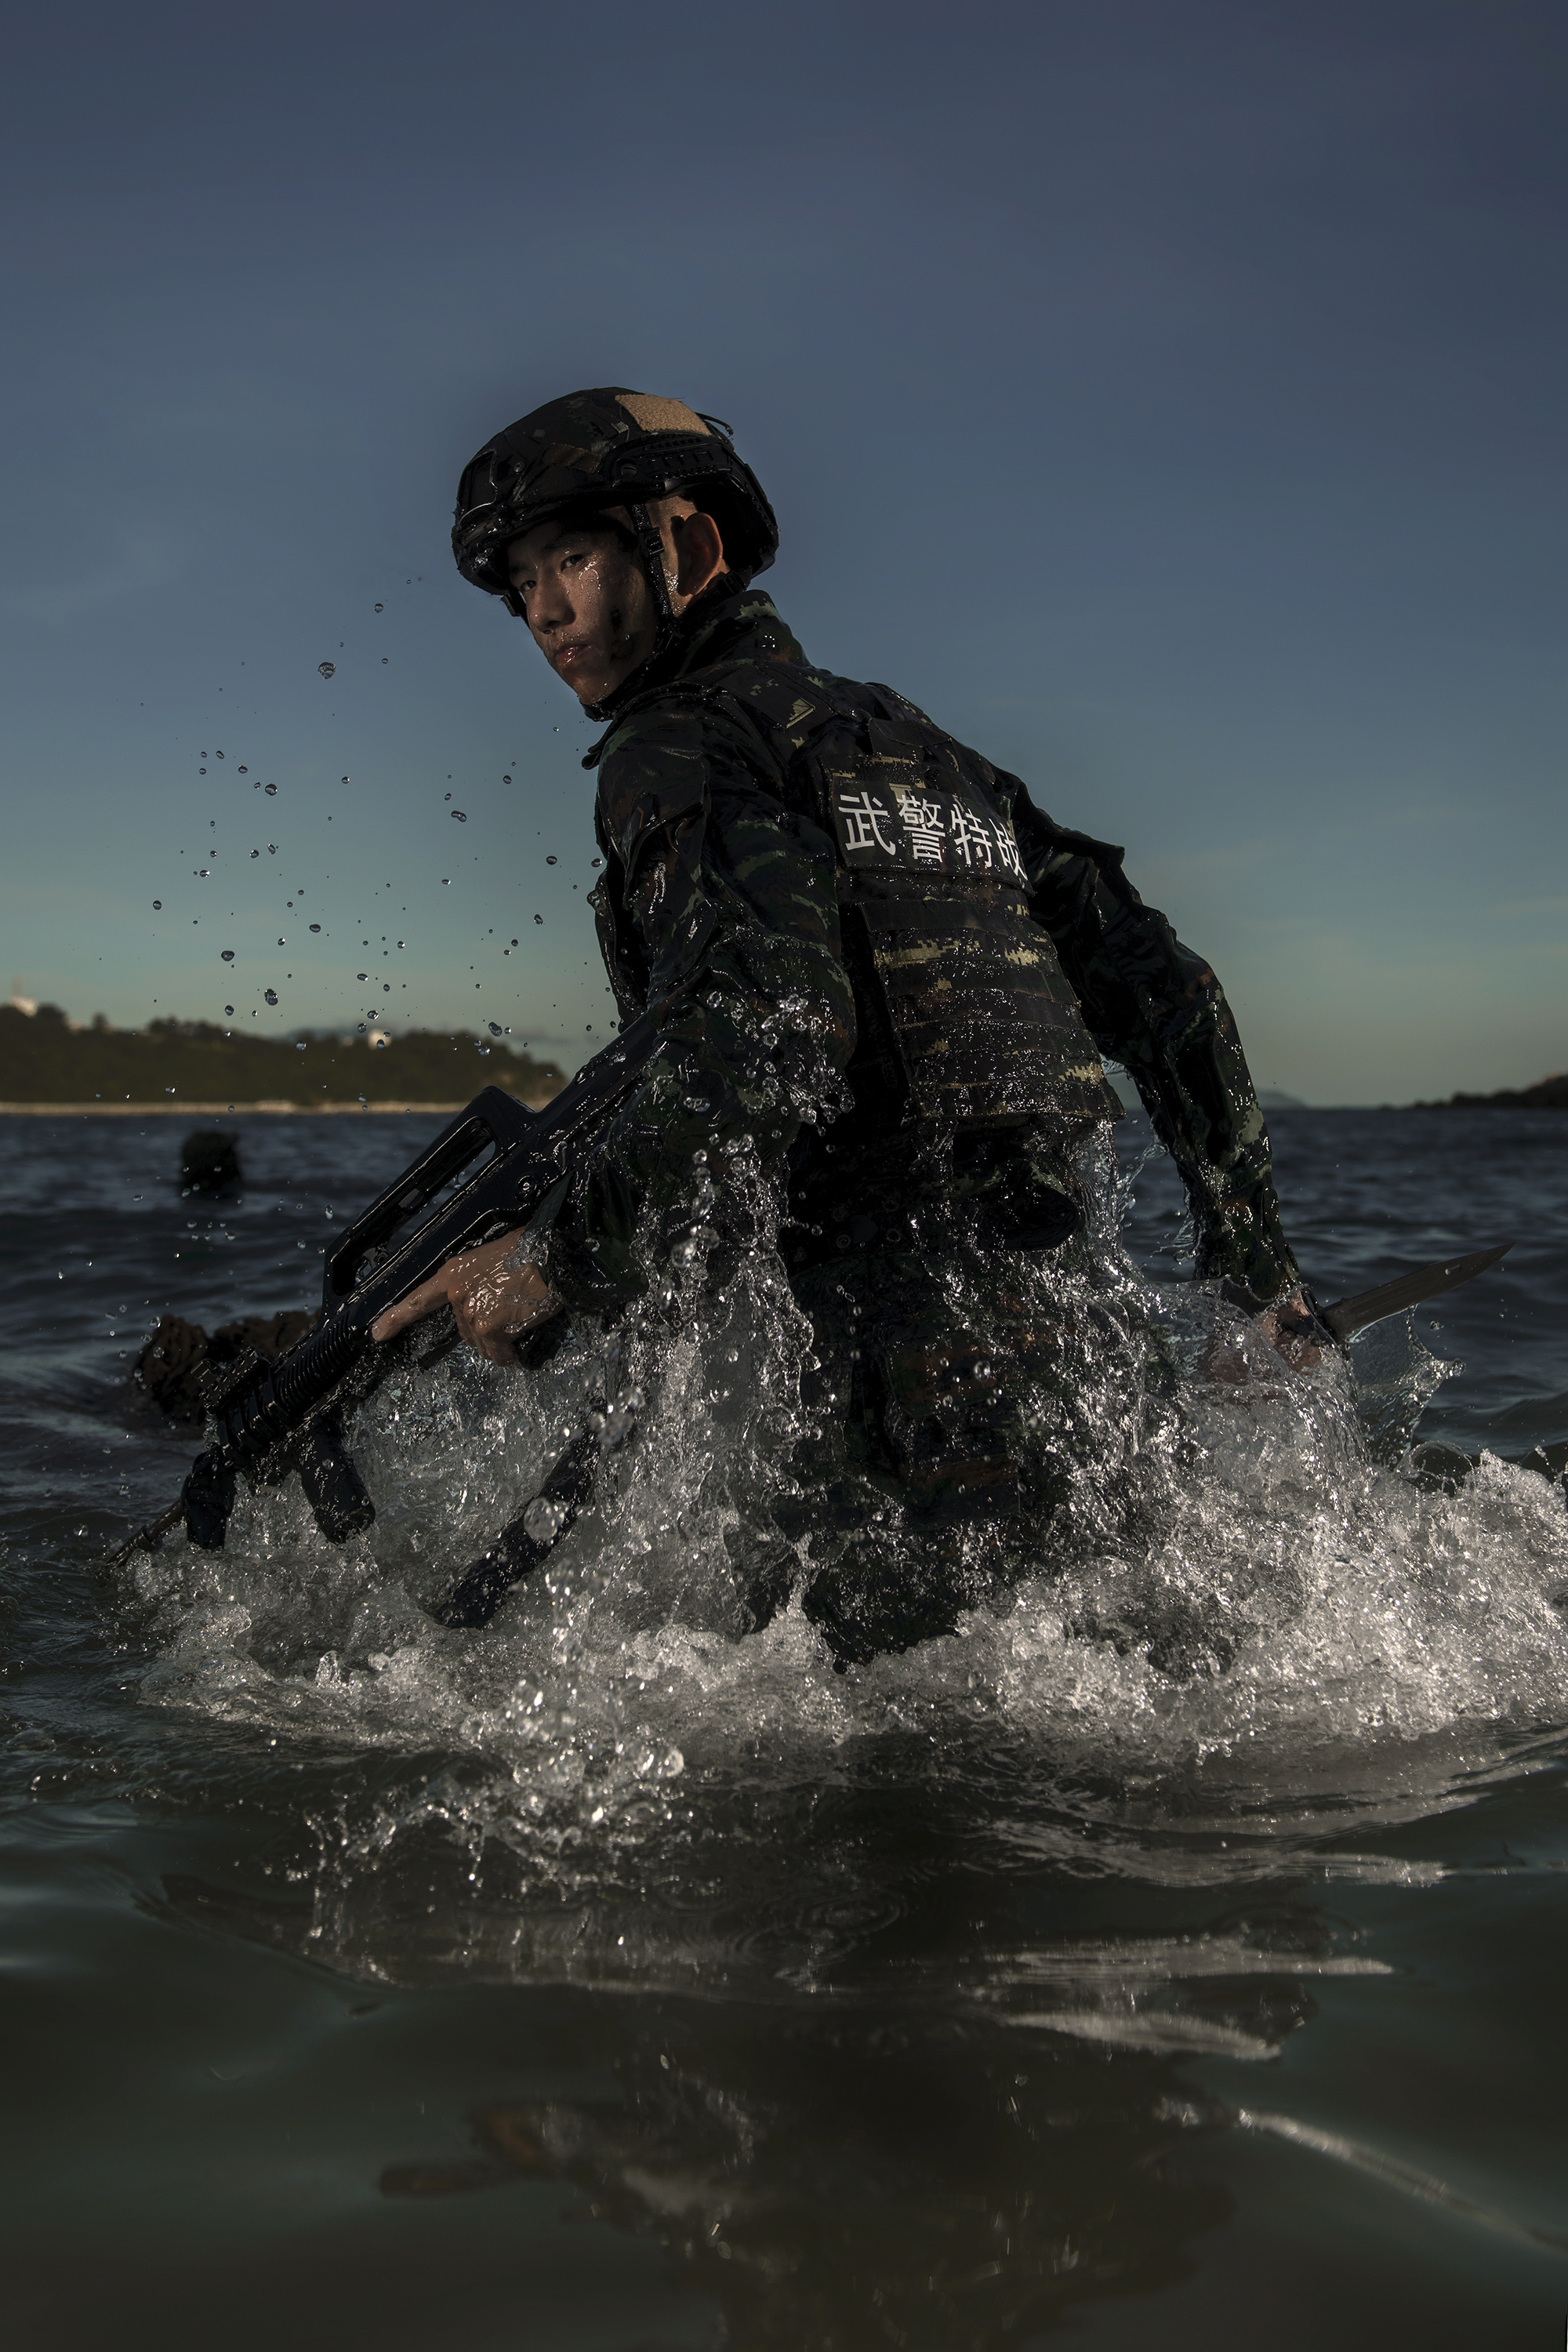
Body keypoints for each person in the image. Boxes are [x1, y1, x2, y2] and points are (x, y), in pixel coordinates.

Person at [373, 387, 1320, 1660]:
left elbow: (772, 1027)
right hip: (1094, 1359)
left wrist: (556, 1266)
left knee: (896, 1802)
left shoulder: (682, 748)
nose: (546, 612)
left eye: (579, 558)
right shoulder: (922, 751)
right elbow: (1171, 992)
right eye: (525, 581)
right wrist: (1258, 1278)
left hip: (896, 1394)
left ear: (689, 552)